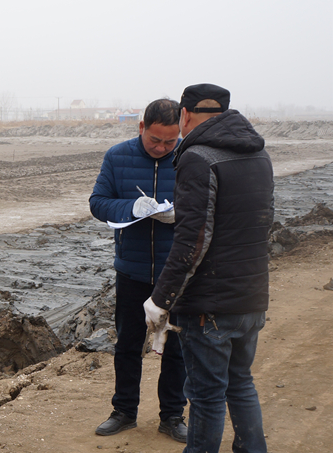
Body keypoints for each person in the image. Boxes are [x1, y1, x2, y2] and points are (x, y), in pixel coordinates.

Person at [144, 84, 273, 453]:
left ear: (184, 115)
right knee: (240, 383)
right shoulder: (259, 153)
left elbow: (193, 241)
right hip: (250, 298)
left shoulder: (198, 157)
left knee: (206, 395)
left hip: (209, 308)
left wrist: (161, 299)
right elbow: (264, 223)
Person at [89, 98, 188, 442]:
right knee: (129, 344)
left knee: (176, 347)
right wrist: (131, 207)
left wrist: (180, 213)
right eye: (154, 140)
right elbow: (98, 203)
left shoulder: (189, 158)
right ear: (142, 127)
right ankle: (124, 411)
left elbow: (209, 208)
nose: (161, 148)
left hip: (176, 272)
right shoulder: (118, 157)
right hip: (132, 270)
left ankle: (173, 415)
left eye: (169, 141)